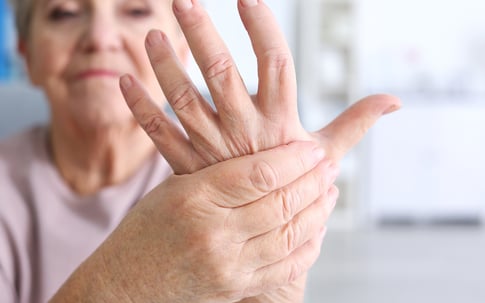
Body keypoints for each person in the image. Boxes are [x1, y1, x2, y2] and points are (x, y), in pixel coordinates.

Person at [0, 0, 401, 302]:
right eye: (65, 13)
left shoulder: (231, 179)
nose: (100, 38)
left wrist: (268, 288)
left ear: (182, 50)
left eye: (136, 10)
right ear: (26, 52)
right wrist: (129, 278)